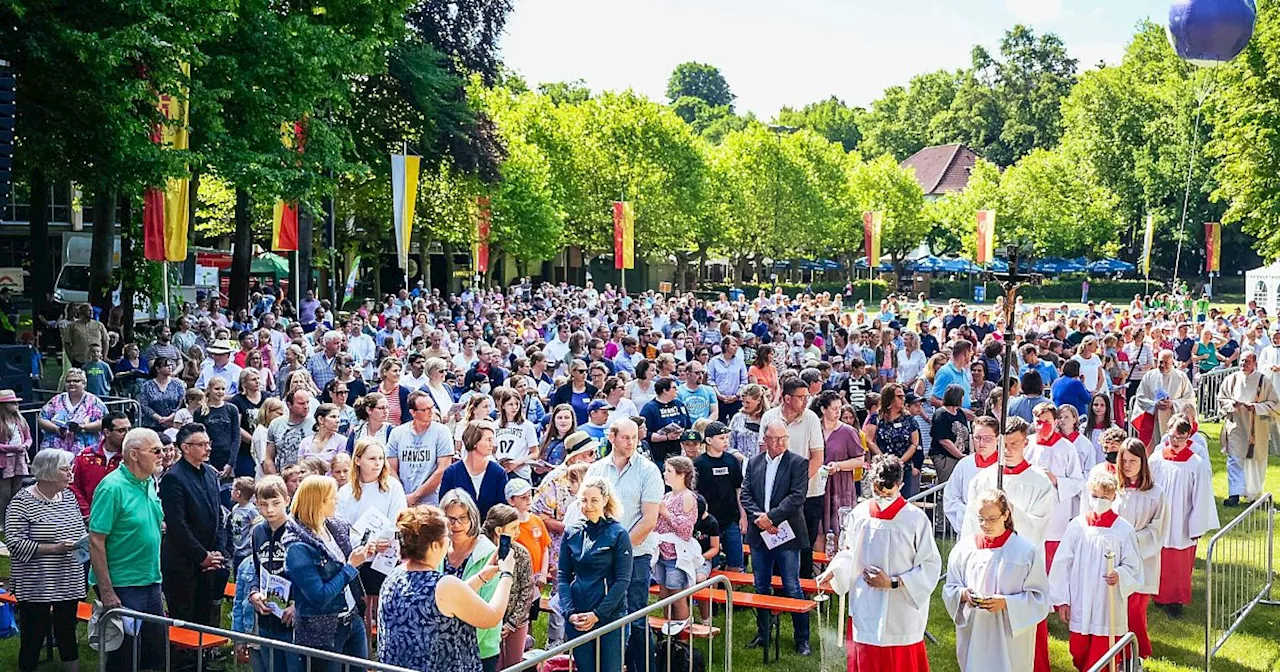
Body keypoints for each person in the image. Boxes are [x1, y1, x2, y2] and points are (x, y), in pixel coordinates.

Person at [817, 454, 941, 671]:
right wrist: (834, 570)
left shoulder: (915, 519)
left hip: (900, 604)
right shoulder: (860, 514)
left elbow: (929, 565)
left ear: (900, 485)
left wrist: (893, 582)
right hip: (866, 600)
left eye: (888, 491)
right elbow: (850, 552)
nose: (882, 495)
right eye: (877, 489)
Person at [960, 416, 1056, 672]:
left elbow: (1039, 527)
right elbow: (970, 526)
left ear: (1026, 443)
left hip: (1019, 570)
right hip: (984, 565)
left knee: (1021, 645)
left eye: (1015, 444)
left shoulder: (1040, 482)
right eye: (1004, 444)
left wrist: (1011, 511)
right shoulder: (983, 480)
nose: (1008, 450)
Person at [376, 505, 516, 672]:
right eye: (446, 536)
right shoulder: (444, 585)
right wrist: (507, 574)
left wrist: (482, 576)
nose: (449, 540)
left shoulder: (393, 576)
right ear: (435, 545)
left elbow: (443, 603)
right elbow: (492, 617)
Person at [942, 488, 1050, 672]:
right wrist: (963, 595)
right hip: (976, 629)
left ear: (1006, 514)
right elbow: (950, 587)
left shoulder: (1025, 551)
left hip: (1009, 635)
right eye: (981, 519)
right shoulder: (964, 549)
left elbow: (1039, 598)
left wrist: (1007, 603)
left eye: (992, 519)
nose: (985, 524)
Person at [1048, 470, 1144, 672]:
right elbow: (1062, 563)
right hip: (1081, 597)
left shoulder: (1123, 530)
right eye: (1095, 496)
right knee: (1078, 648)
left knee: (1103, 651)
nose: (1099, 501)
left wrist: (1120, 574)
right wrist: (1062, 601)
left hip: (1106, 601)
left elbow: (1134, 566)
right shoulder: (1078, 526)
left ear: (1113, 497)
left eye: (1104, 497)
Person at [88, 428, 166, 672]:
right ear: (134, 454)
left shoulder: (148, 483)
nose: (162, 454)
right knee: (125, 656)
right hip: (123, 584)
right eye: (156, 450)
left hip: (150, 580)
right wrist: (107, 591)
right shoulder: (112, 488)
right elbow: (96, 540)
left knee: (155, 653)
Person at [585, 415, 660, 670]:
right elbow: (587, 510)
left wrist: (620, 550)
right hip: (600, 556)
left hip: (636, 556)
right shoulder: (596, 470)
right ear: (612, 437)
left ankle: (644, 667)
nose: (631, 443)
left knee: (635, 617)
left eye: (635, 438)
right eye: (626, 438)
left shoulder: (649, 471)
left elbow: (649, 520)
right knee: (604, 615)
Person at [6, 448, 88, 672]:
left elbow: (79, 530)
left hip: (68, 578)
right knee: (34, 634)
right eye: (65, 469)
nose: (71, 473)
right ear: (48, 472)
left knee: (67, 630)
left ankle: (73, 668)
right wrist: (54, 548)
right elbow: (13, 542)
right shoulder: (21, 502)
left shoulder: (68, 497)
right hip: (36, 582)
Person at [282, 475, 376, 668]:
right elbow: (319, 596)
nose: (337, 501)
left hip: (352, 618)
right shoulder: (297, 547)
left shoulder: (335, 527)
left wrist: (362, 552)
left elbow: (347, 559)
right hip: (322, 633)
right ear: (318, 502)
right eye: (332, 497)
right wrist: (351, 567)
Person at [1088, 437, 1167, 661]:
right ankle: (1118, 656)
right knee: (1115, 611)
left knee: (1134, 610)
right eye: (1124, 461)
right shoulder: (1114, 490)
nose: (1128, 466)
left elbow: (1157, 529)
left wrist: (1128, 540)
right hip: (1114, 560)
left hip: (1142, 560)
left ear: (1143, 462)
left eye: (1133, 460)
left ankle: (1140, 653)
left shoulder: (1155, 493)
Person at [161, 422, 231, 669]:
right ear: (185, 448)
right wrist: (201, 556)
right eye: (202, 444)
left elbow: (219, 516)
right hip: (183, 563)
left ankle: (202, 662)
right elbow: (177, 525)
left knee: (204, 617)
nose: (208, 448)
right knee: (184, 620)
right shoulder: (173, 479)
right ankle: (183, 665)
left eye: (208, 443)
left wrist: (218, 553)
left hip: (210, 560)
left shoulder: (211, 473)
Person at [741, 418, 812, 655]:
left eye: (784, 438)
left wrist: (772, 518)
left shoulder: (798, 463)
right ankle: (764, 633)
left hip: (787, 535)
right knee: (760, 585)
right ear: (766, 439)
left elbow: (796, 497)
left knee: (792, 585)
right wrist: (759, 518)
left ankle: (802, 638)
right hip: (760, 534)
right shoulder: (754, 463)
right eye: (776, 438)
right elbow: (746, 495)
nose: (781, 442)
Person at [559, 476, 633, 672]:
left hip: (610, 617)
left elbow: (622, 580)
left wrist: (598, 614)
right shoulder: (571, 532)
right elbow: (563, 576)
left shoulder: (618, 534)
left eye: (594, 500)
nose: (588, 505)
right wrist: (570, 613)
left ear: (605, 501)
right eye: (584, 500)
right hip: (579, 616)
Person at [336, 437, 408, 639]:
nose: (377, 463)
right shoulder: (345, 492)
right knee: (361, 610)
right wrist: (366, 545)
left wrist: (383, 541)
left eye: (380, 458)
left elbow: (399, 518)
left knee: (386, 609)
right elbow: (342, 528)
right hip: (358, 558)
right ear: (358, 460)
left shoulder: (392, 486)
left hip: (386, 556)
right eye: (372, 458)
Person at [1148, 416, 1219, 617]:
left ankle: (1176, 601)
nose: (1176, 441)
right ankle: (1159, 595)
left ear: (1188, 437)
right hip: (1160, 516)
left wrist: (1196, 524)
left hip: (1182, 519)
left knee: (1178, 561)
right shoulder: (1156, 459)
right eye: (1172, 436)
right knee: (1159, 556)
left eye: (1181, 437)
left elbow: (1202, 497)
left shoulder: (1195, 463)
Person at [759, 376, 825, 578]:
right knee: (777, 539)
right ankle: (778, 589)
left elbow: (817, 456)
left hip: (809, 492)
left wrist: (798, 486)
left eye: (807, 396)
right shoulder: (769, 417)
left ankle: (802, 590)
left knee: (805, 543)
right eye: (802, 397)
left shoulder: (811, 418)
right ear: (787, 398)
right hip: (777, 494)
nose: (807, 401)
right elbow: (763, 454)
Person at [439, 489, 503, 672]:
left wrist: (461, 646)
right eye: (451, 519)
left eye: (463, 518)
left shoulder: (488, 552)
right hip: (442, 646)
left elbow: (487, 605)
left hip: (480, 648)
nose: (457, 524)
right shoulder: (438, 550)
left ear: (473, 518)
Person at [1027, 402, 1084, 571]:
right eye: (1038, 421)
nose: (1042, 426)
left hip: (1056, 513)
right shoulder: (1026, 445)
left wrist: (1056, 480)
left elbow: (1077, 482)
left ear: (1055, 422)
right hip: (1031, 509)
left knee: (1054, 563)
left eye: (1047, 421)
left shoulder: (1066, 448)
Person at [1216, 350, 1278, 507]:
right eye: (1242, 361)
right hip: (1236, 425)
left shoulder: (1263, 382)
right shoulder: (1231, 379)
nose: (1244, 364)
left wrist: (1256, 407)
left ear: (1255, 363)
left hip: (1256, 428)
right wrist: (1232, 404)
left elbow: (1275, 404)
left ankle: (1253, 494)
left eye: (1247, 362)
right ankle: (1234, 494)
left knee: (1255, 460)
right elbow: (1221, 399)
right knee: (1235, 459)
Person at [811, 390, 863, 550]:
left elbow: (860, 460)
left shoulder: (848, 432)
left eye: (839, 408)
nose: (837, 412)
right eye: (834, 408)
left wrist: (839, 465)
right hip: (816, 485)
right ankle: (816, 570)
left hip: (840, 487)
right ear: (823, 409)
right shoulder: (813, 428)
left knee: (841, 530)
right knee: (817, 531)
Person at [388, 391, 456, 507]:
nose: (431, 412)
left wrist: (416, 496)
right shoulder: (397, 433)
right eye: (425, 409)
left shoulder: (442, 432)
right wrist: (402, 495)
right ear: (413, 412)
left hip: (432, 499)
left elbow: (442, 469)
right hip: (403, 497)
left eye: (432, 407)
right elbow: (390, 467)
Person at [693, 421, 745, 571]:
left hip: (731, 519)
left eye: (727, 438)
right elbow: (695, 493)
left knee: (736, 562)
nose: (726, 441)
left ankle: (731, 592)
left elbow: (738, 489)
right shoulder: (699, 463)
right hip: (708, 522)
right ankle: (713, 591)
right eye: (721, 438)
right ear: (709, 440)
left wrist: (743, 516)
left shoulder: (732, 461)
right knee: (712, 565)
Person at [653, 456, 700, 620]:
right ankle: (668, 633)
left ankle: (683, 637)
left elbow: (685, 529)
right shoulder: (666, 496)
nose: (665, 474)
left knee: (677, 596)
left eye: (669, 471)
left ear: (681, 474)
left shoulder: (687, 497)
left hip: (676, 555)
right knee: (665, 595)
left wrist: (665, 513)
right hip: (662, 553)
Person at [942, 415, 1001, 532]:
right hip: (968, 527)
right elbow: (950, 497)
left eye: (987, 438)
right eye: (977, 438)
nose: (981, 443)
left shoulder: (1004, 465)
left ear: (998, 439)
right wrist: (970, 514)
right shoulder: (964, 464)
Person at [440, 420, 509, 518]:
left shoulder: (498, 473)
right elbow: (444, 508)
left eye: (492, 440)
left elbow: (503, 509)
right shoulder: (452, 473)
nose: (492, 444)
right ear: (474, 442)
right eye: (488, 440)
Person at [865, 384, 921, 497]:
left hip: (904, 468)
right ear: (890, 398)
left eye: (903, 397)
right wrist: (885, 460)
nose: (903, 399)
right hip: (882, 468)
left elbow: (914, 443)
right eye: (899, 397)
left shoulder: (909, 419)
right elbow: (869, 440)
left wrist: (900, 461)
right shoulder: (876, 418)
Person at [1133, 350, 1195, 448]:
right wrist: (1154, 405)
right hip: (1154, 419)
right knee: (1154, 447)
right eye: (1161, 362)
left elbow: (1189, 399)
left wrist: (1173, 404)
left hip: (1175, 418)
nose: (1163, 365)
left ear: (1172, 362)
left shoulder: (1181, 377)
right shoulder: (1149, 376)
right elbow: (1140, 397)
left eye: (1167, 363)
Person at [38, 368, 108, 453]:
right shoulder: (56, 400)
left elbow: (104, 422)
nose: (72, 383)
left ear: (84, 383)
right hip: (56, 451)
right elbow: (42, 418)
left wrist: (84, 427)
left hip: (85, 450)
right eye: (68, 381)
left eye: (76, 381)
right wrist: (56, 428)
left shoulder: (93, 401)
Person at [640, 377, 692, 466]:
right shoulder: (649, 408)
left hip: (678, 449)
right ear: (665, 390)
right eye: (674, 388)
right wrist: (666, 437)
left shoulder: (679, 404)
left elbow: (688, 424)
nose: (677, 390)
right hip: (658, 453)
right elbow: (645, 434)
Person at [195, 376, 241, 475]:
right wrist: (207, 463)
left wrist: (231, 463)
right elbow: (197, 438)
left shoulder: (232, 409)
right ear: (209, 390)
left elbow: (236, 436)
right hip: (209, 455)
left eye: (223, 389)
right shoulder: (201, 411)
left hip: (228, 456)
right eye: (217, 389)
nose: (220, 392)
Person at [264, 389, 316, 474]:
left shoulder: (314, 425)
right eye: (301, 403)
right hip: (282, 476)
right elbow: (269, 458)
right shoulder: (276, 424)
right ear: (289, 405)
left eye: (307, 402)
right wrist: (276, 480)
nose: (306, 406)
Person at [929, 384, 969, 484]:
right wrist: (959, 455)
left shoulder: (960, 413)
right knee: (948, 484)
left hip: (962, 455)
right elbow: (943, 440)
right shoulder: (941, 414)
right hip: (945, 457)